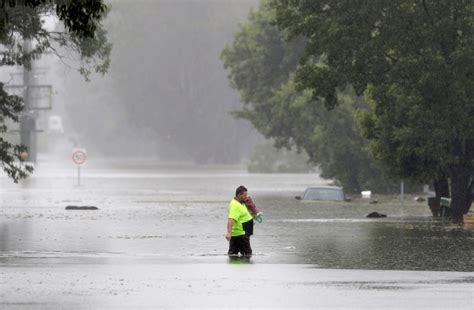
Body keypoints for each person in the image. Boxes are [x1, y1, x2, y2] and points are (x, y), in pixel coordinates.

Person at [226, 185, 254, 256]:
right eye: (245, 195)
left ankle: (236, 265)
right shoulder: (235, 205)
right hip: (241, 235)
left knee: (232, 255)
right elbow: (230, 219)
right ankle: (242, 266)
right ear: (239, 195)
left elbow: (243, 214)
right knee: (248, 255)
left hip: (240, 234)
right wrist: (229, 233)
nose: (246, 197)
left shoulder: (241, 203)